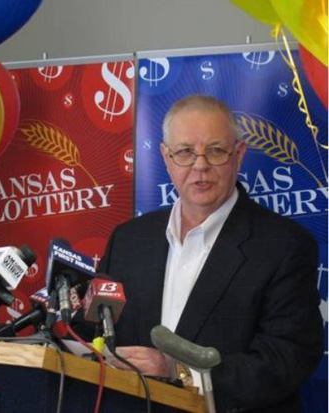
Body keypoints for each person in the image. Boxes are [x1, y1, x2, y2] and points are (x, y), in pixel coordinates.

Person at [98, 94, 324, 412]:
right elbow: (95, 331)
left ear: (239, 155)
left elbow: (286, 359)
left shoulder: (285, 245)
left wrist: (177, 373)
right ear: (166, 157)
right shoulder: (128, 240)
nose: (200, 165)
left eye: (215, 151)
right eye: (185, 152)